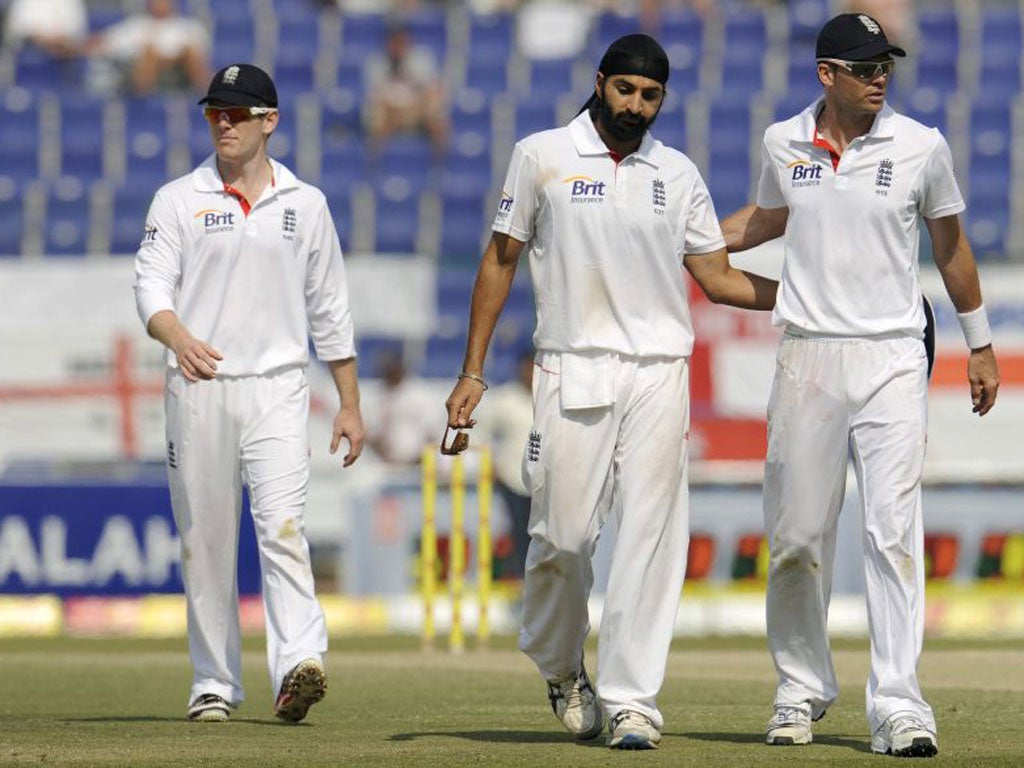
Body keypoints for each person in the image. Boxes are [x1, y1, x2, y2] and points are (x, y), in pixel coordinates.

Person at [443, 33, 778, 750]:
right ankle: (563, 666)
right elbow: (500, 259)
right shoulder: (543, 155)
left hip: (660, 367)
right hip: (572, 362)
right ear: (600, 83)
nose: (635, 105)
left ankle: (632, 700)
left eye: (650, 95)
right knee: (561, 538)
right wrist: (473, 371)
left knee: (651, 539)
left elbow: (716, 279)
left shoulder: (678, 173)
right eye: (625, 89)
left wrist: (809, 300)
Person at [720, 13, 1000, 758]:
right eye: (866, 66)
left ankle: (901, 706)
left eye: (887, 65)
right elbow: (768, 219)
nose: (881, 76)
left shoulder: (921, 146)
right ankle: (800, 689)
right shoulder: (783, 141)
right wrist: (694, 239)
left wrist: (979, 345)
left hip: (892, 355)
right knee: (796, 538)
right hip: (808, 353)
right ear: (827, 74)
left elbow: (950, 246)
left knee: (892, 532)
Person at [133, 63, 365, 724]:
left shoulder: (306, 204)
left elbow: (330, 309)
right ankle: (213, 682)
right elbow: (150, 285)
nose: (223, 124)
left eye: (237, 113)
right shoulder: (178, 198)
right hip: (199, 387)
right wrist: (176, 336)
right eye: (214, 113)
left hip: (278, 388)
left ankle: (298, 663)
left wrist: (348, 403)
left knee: (283, 529)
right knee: (204, 540)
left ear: (271, 120)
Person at [475, 349, 535, 579]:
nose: (530, 374)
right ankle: (520, 581)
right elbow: (482, 433)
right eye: (526, 368)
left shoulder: (552, 397)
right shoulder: (505, 399)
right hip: (511, 479)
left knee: (544, 537)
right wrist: (490, 465)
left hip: (546, 481)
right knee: (517, 533)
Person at [89, 0, 209, 96]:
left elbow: (196, 54)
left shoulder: (190, 27)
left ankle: (206, 95)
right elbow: (106, 42)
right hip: (139, 70)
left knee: (189, 53)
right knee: (150, 54)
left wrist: (165, 59)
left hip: (179, 71)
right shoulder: (136, 25)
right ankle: (145, 101)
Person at [363, 20, 448, 155]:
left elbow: (432, 89)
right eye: (394, 42)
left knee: (435, 110)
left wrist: (407, 73)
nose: (397, 47)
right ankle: (375, 163)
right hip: (390, 110)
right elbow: (376, 95)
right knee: (378, 112)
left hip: (417, 108)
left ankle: (441, 164)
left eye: (401, 42)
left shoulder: (422, 58)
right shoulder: (376, 62)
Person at [366, 350, 436, 465]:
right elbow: (372, 433)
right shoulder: (379, 394)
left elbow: (431, 432)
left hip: (416, 463)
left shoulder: (418, 393)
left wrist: (422, 458)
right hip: (385, 464)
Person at [2, 0, 87, 59]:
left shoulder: (72, 2)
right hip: (31, 59)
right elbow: (18, 30)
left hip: (66, 59)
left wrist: (59, 41)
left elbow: (77, 32)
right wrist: (47, 41)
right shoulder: (24, 2)